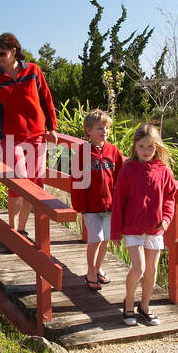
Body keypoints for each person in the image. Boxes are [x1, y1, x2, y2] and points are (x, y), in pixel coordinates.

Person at [0, 32, 57, 238]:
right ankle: (12, 228)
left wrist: (52, 128)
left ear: (14, 51)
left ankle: (22, 230)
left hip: (38, 135)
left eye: (2, 53)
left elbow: (46, 100)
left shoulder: (33, 71)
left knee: (35, 183)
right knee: (19, 180)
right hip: (11, 137)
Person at [110, 122, 176, 326]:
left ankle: (145, 307)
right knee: (138, 268)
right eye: (142, 147)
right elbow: (118, 201)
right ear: (134, 147)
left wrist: (166, 219)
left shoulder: (163, 170)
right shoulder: (128, 170)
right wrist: (115, 232)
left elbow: (170, 197)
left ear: (156, 147)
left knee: (152, 270)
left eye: (150, 147)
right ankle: (128, 303)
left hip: (155, 228)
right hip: (132, 228)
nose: (146, 151)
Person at [70, 109, 123, 290]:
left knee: (106, 239)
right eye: (100, 128)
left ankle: (98, 267)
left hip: (110, 206)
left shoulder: (114, 151)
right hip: (90, 207)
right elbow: (76, 180)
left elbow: (121, 177)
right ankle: (91, 270)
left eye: (107, 128)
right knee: (95, 238)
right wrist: (79, 205)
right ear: (89, 131)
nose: (104, 132)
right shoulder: (83, 152)